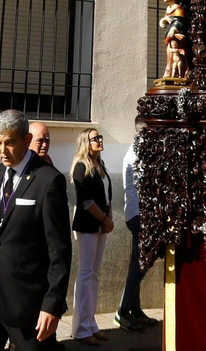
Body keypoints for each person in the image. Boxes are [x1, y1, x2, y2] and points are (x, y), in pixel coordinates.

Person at [0, 109, 71, 351]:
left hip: (28, 304)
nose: (2, 150)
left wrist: (52, 305)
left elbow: (60, 250)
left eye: (10, 143)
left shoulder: (48, 181)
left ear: (26, 141)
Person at [69, 129, 113, 343]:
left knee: (94, 274)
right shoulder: (81, 167)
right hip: (87, 225)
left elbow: (106, 196)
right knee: (85, 274)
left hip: (101, 225)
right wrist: (104, 220)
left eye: (100, 137)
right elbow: (85, 200)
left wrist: (109, 217)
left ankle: (90, 323)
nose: (100, 141)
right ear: (86, 142)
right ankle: (80, 329)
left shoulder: (100, 166)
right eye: (95, 138)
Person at [114, 143, 155, 331]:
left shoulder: (138, 150)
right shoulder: (137, 153)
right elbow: (144, 185)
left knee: (137, 263)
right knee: (141, 263)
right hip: (138, 214)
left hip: (139, 213)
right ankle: (122, 312)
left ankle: (135, 309)